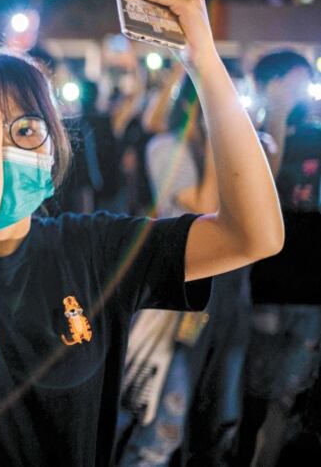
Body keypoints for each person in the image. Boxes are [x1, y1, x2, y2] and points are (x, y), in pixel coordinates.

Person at [0, 0, 284, 465]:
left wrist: (205, 63)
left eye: (24, 131)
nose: (0, 150)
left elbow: (252, 234)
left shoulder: (91, 247)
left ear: (54, 151)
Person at [115, 78, 252, 466]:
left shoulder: (217, 151)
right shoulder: (165, 149)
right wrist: (214, 141)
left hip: (223, 293)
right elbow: (205, 209)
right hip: (177, 294)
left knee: (214, 403)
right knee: (163, 409)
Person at [236, 50, 321, 466]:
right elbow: (262, 182)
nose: (303, 89)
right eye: (295, 80)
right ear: (270, 83)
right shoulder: (245, 131)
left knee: (289, 394)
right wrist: (275, 116)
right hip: (266, 280)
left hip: (309, 287)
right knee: (254, 387)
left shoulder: (315, 134)